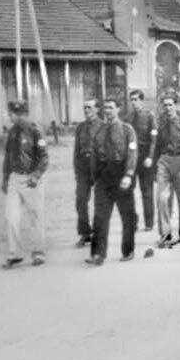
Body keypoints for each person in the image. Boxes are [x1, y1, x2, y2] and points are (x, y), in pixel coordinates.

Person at [88, 98, 138, 265]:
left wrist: (128, 174)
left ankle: (128, 250)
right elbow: (94, 154)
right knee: (100, 217)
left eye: (111, 108)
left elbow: (132, 153)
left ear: (118, 109)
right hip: (103, 176)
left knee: (127, 216)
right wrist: (94, 177)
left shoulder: (126, 129)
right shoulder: (99, 130)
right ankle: (98, 254)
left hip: (121, 174)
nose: (108, 111)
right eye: (105, 108)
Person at [1, 100, 49, 269]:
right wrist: (5, 178)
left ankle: (38, 252)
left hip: (31, 178)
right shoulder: (12, 132)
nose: (10, 116)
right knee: (11, 217)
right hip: (15, 177)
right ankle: (15, 254)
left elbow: (44, 157)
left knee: (35, 216)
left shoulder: (35, 131)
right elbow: (8, 157)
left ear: (21, 114)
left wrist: (36, 175)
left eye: (12, 113)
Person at [153, 91, 180, 247]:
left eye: (171, 105)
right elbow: (157, 146)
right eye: (165, 105)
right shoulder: (161, 122)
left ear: (176, 105)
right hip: (164, 161)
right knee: (162, 199)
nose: (168, 108)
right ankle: (165, 233)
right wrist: (155, 167)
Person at [125, 89, 157, 232]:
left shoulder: (149, 116)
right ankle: (133, 222)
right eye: (132, 100)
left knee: (147, 191)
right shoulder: (127, 118)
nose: (134, 102)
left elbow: (154, 139)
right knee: (129, 192)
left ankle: (149, 223)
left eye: (136, 99)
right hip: (132, 158)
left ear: (142, 101)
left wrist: (150, 157)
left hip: (145, 158)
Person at [73, 99, 102, 248]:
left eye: (89, 108)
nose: (86, 111)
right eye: (84, 108)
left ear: (97, 109)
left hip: (98, 167)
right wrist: (77, 172)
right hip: (83, 168)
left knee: (100, 202)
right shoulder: (80, 128)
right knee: (81, 200)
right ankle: (85, 233)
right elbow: (76, 151)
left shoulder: (104, 126)